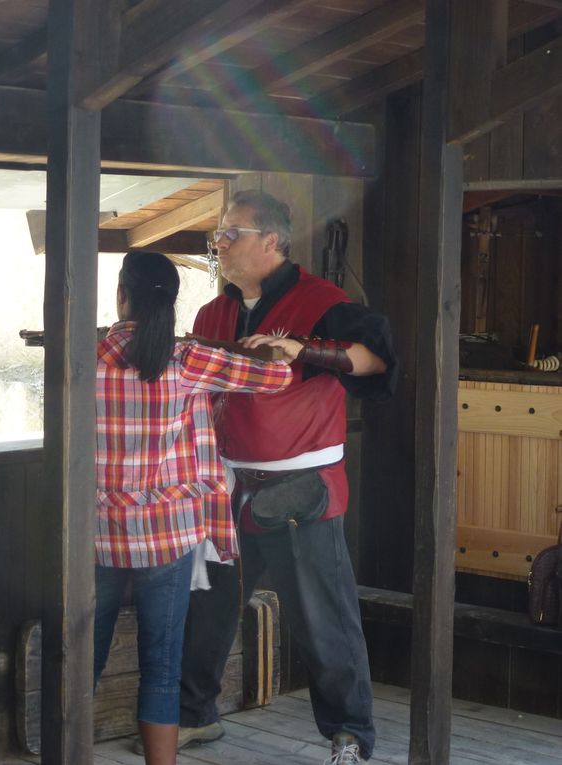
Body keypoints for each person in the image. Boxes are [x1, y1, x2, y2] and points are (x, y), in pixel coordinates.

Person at [174, 191, 397, 765]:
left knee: (323, 617)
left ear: (271, 241)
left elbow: (376, 361)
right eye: (218, 235)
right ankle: (195, 715)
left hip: (300, 488)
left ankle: (350, 735)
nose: (219, 244)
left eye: (231, 233)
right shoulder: (213, 313)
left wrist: (303, 348)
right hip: (225, 485)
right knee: (208, 606)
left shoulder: (322, 301)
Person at [94, 250, 292, 765]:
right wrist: (273, 350)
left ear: (121, 295)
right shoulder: (189, 360)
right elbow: (277, 381)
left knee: (81, 659)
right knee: (162, 664)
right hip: (169, 530)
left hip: (96, 529)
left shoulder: (88, 352)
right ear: (174, 302)